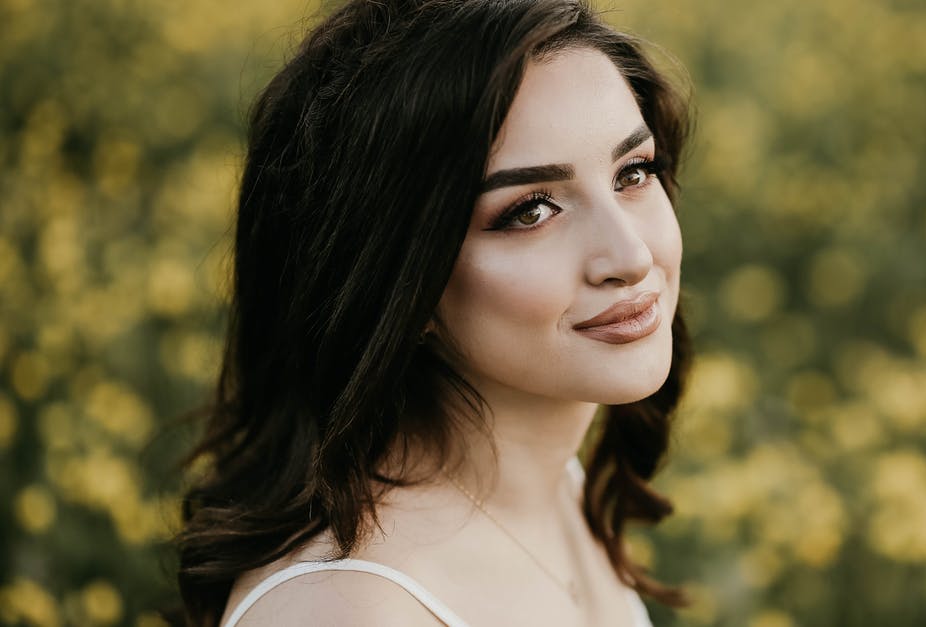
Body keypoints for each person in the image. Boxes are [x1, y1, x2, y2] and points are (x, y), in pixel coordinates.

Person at [174, 0, 694, 625]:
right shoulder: (347, 611)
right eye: (530, 210)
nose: (631, 256)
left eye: (632, 172)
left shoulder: (549, 482)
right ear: (400, 279)